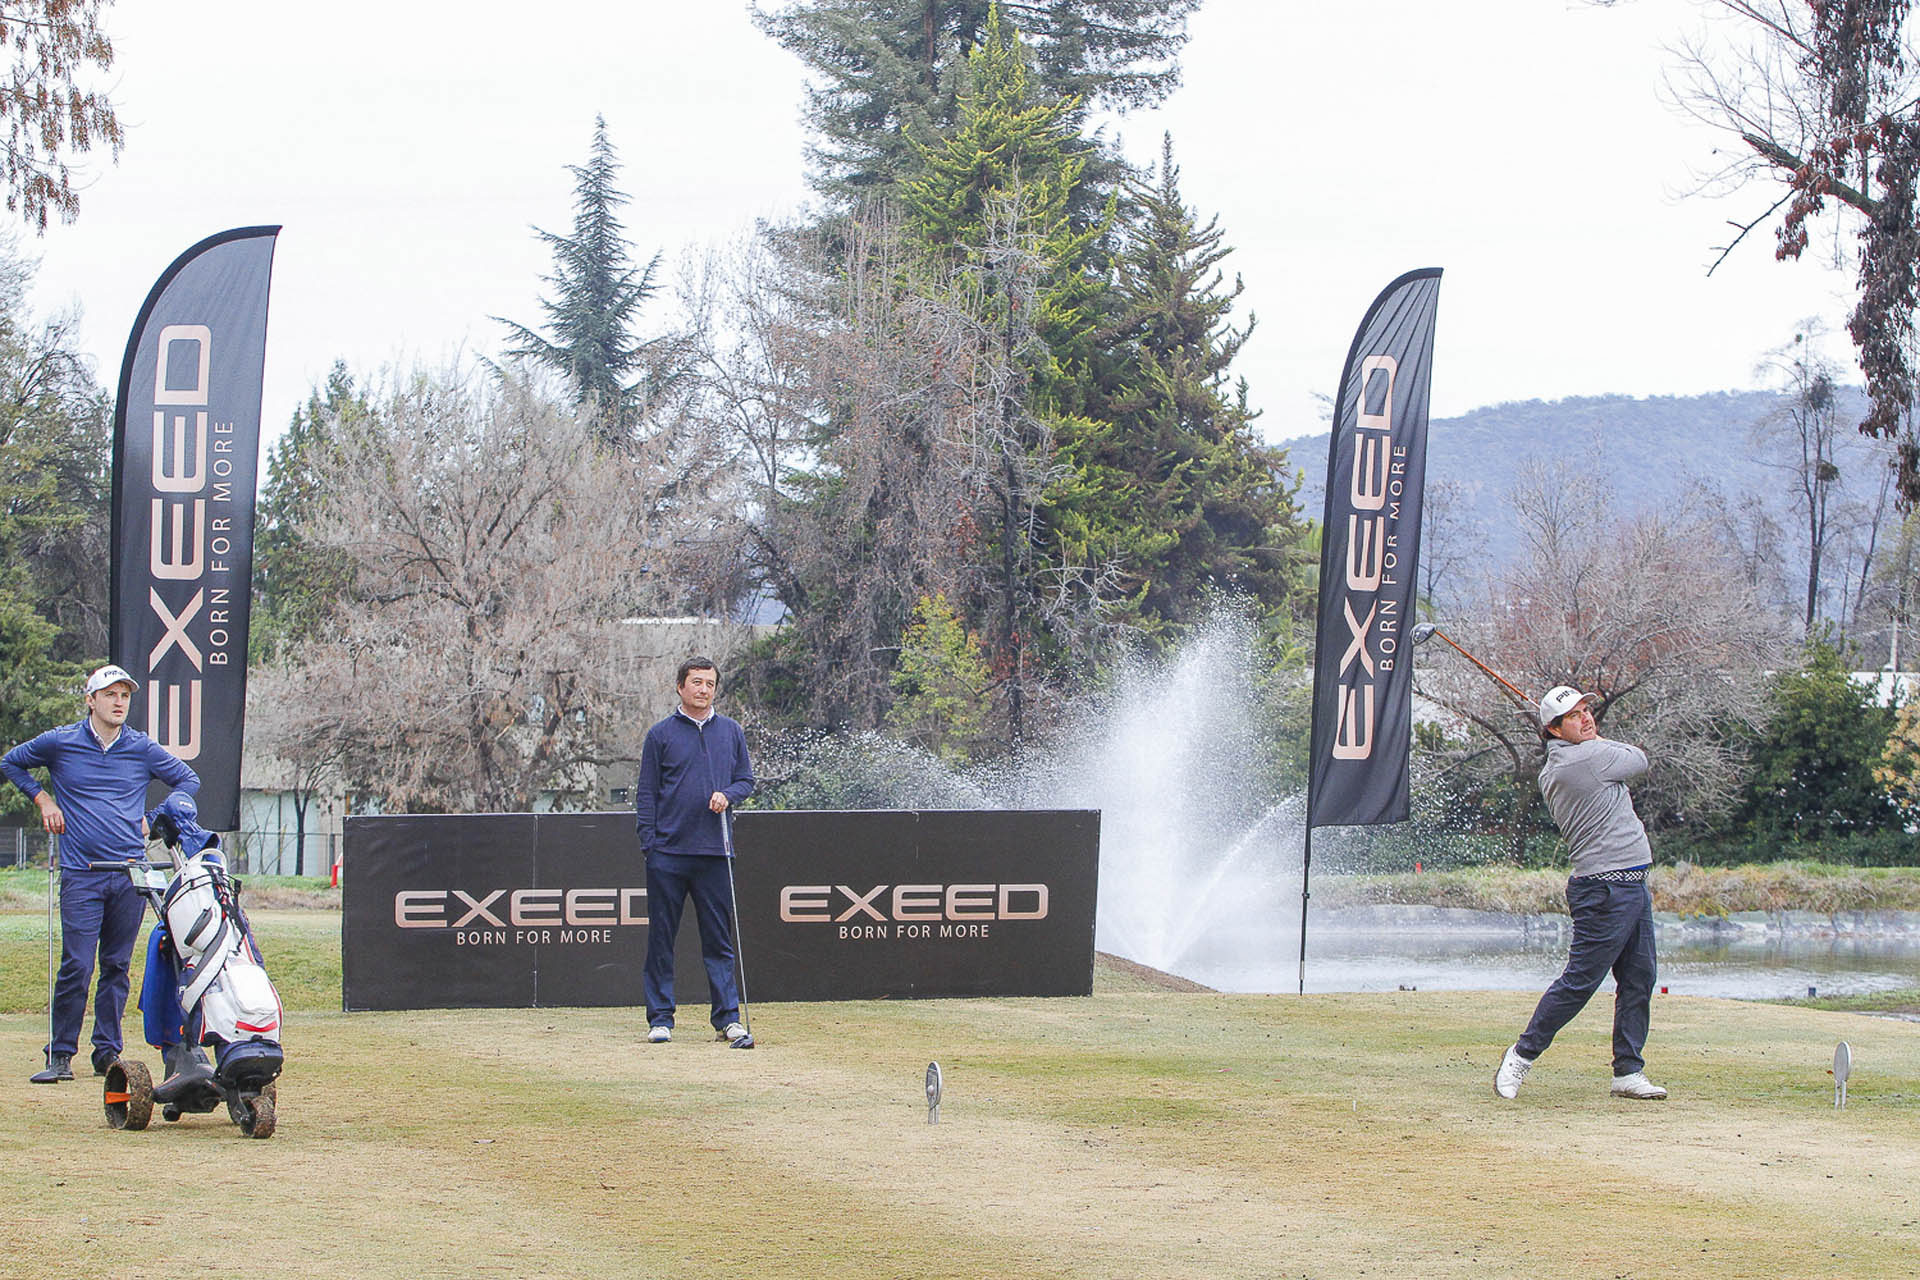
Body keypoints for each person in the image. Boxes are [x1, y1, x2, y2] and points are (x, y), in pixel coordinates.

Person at [3, 664, 199, 1083]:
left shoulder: (140, 747)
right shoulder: (60, 742)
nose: (119, 702)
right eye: (110, 694)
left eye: (125, 695)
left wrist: (155, 818)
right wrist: (43, 800)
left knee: (116, 966)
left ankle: (107, 1053)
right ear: (91, 700)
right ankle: (60, 1054)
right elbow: (11, 763)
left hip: (129, 873)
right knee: (76, 965)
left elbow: (188, 780)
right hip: (82, 873)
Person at [1494, 685, 1667, 1102]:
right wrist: (1597, 740)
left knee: (1639, 978)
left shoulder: (1568, 760)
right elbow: (1639, 759)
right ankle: (1521, 1054)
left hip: (1629, 884)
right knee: (1580, 982)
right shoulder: (1586, 759)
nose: (1587, 718)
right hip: (1605, 888)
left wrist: (1587, 736)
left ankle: (1628, 1071)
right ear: (1554, 729)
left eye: (1587, 710)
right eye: (1574, 715)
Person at [634, 656, 755, 1045]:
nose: (704, 689)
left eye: (710, 684)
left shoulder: (731, 731)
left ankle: (727, 1019)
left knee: (718, 940)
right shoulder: (660, 734)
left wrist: (728, 794)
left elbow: (746, 780)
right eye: (697, 682)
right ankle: (660, 1018)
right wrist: (650, 844)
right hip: (667, 854)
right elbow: (646, 793)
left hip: (714, 853)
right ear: (680, 687)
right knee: (661, 939)